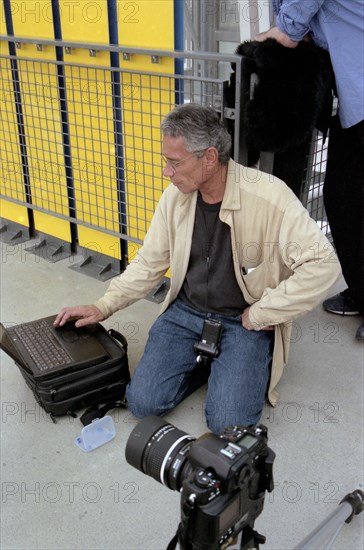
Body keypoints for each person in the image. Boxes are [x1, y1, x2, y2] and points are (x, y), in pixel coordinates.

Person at [54, 104, 340, 434]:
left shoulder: (269, 196)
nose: (167, 172)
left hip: (243, 321)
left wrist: (265, 312)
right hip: (185, 313)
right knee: (143, 403)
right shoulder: (174, 198)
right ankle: (210, 363)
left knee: (227, 424)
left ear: (209, 157)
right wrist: (103, 306)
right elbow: (148, 264)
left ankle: (225, 363)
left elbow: (323, 264)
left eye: (175, 162)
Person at [255, 0, 364, 340]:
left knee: (345, 197)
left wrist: (281, 32)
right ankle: (360, 289)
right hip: (351, 84)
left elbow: (289, 32)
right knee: (347, 197)